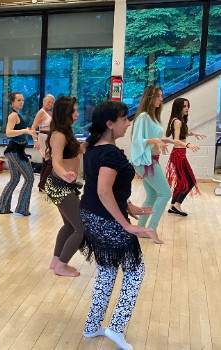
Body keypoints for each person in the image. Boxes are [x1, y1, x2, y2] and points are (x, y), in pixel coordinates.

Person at [80, 101, 154, 350]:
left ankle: (92, 326)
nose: (128, 123)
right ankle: (116, 327)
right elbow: (103, 191)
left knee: (107, 270)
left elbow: (109, 189)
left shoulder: (93, 148)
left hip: (91, 216)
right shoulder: (110, 153)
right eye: (124, 119)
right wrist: (128, 224)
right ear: (110, 124)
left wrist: (131, 208)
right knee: (135, 272)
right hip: (105, 219)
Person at [130, 86, 182, 244]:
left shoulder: (152, 117)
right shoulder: (143, 117)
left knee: (152, 195)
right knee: (165, 193)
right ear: (150, 98)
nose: (161, 98)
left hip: (152, 160)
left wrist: (172, 141)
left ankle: (140, 229)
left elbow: (155, 137)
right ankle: (151, 229)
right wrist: (153, 141)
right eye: (158, 96)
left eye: (161, 96)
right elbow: (137, 141)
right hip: (146, 162)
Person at [44, 96, 84, 277]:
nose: (77, 114)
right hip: (61, 185)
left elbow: (72, 154)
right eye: (74, 111)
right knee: (81, 229)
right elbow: (56, 162)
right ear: (65, 113)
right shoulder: (58, 135)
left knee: (69, 226)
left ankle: (55, 261)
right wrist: (65, 174)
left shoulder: (66, 132)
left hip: (64, 184)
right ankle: (61, 265)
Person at [0, 92, 35, 216]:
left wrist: (28, 132)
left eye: (22, 100)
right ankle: (22, 208)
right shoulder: (13, 115)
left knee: (15, 179)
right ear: (12, 103)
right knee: (30, 178)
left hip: (15, 151)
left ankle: (2, 207)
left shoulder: (17, 115)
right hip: (14, 151)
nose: (21, 102)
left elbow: (20, 132)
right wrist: (25, 130)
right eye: (18, 100)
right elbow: (8, 133)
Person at [164, 97, 203, 216]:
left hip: (179, 155)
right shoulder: (177, 121)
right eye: (184, 106)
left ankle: (173, 205)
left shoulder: (177, 120)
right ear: (179, 107)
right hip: (178, 155)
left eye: (188, 106)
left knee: (182, 181)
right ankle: (177, 205)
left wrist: (193, 133)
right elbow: (176, 140)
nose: (187, 108)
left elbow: (182, 133)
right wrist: (188, 144)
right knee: (190, 181)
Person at [31, 94, 55, 192]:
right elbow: (33, 127)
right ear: (44, 102)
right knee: (50, 162)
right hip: (43, 138)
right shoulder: (41, 112)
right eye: (48, 101)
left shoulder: (51, 113)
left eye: (52, 102)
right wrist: (35, 140)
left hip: (50, 137)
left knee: (46, 162)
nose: (50, 104)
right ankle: (42, 184)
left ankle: (42, 185)